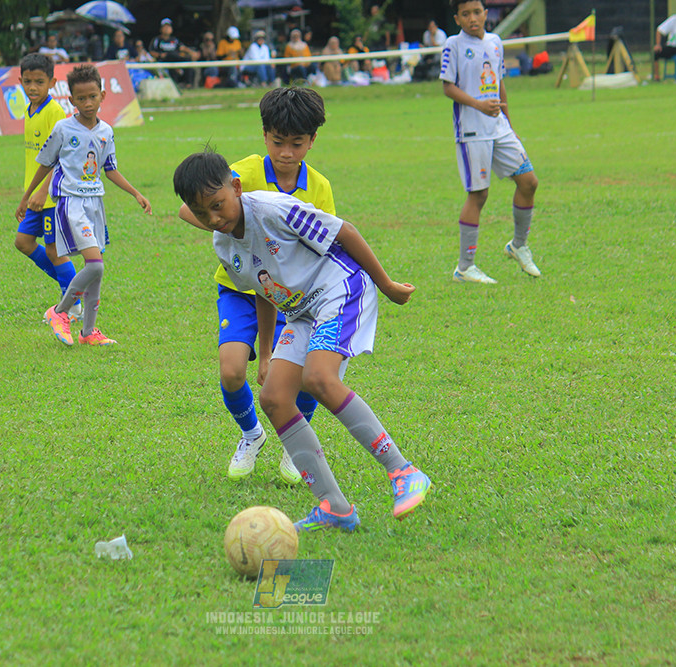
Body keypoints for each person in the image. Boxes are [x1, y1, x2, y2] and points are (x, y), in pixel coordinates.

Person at [173, 149, 433, 532]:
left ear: (237, 188)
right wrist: (265, 355)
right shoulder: (224, 245)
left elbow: (344, 231)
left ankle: (404, 472)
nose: (214, 219)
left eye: (218, 205)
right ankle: (335, 507)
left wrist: (388, 285)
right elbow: (263, 291)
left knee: (319, 379)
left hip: (340, 288)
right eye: (201, 213)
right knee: (274, 398)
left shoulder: (274, 209)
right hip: (301, 311)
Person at [177, 86, 332, 483]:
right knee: (231, 371)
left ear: (312, 141)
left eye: (297, 144)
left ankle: (294, 445)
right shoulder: (241, 173)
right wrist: (225, 230)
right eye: (278, 142)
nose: (285, 153)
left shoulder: (319, 188)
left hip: (293, 299)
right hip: (240, 289)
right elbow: (186, 207)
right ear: (264, 134)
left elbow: (325, 243)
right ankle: (252, 434)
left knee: (304, 376)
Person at [16, 64, 152, 347]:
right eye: (81, 98)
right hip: (71, 204)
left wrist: (136, 193)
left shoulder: (106, 131)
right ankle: (60, 312)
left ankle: (89, 332)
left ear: (102, 95)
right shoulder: (63, 129)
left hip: (95, 205)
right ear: (72, 100)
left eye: (93, 96)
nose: (88, 103)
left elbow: (110, 169)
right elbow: (45, 164)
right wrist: (27, 196)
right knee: (96, 266)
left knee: (96, 271)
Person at [440, 0, 541, 284]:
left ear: (486, 14)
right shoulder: (453, 45)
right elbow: (448, 87)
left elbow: (498, 83)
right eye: (465, 14)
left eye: (477, 12)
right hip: (472, 131)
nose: (473, 18)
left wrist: (508, 121)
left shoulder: (496, 42)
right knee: (479, 195)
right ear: (457, 19)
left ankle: (518, 245)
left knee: (529, 181)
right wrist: (479, 105)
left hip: (498, 128)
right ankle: (464, 267)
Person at [10, 53, 83, 324]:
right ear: (20, 81)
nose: (32, 87)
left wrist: (43, 191)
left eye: (39, 82)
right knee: (23, 242)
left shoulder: (54, 112)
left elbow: (61, 154)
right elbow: (36, 160)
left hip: (52, 195)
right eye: (27, 81)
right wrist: (26, 196)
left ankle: (70, 304)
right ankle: (75, 290)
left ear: (52, 82)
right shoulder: (29, 111)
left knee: (54, 250)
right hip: (35, 196)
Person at [149, 18, 197, 88]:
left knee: (187, 60)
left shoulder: (174, 40)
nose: (167, 29)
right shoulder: (157, 40)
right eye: (165, 27)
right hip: (164, 60)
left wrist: (192, 53)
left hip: (176, 58)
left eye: (168, 27)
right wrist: (160, 55)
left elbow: (182, 48)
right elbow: (151, 52)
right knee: (170, 56)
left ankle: (188, 84)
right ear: (161, 29)